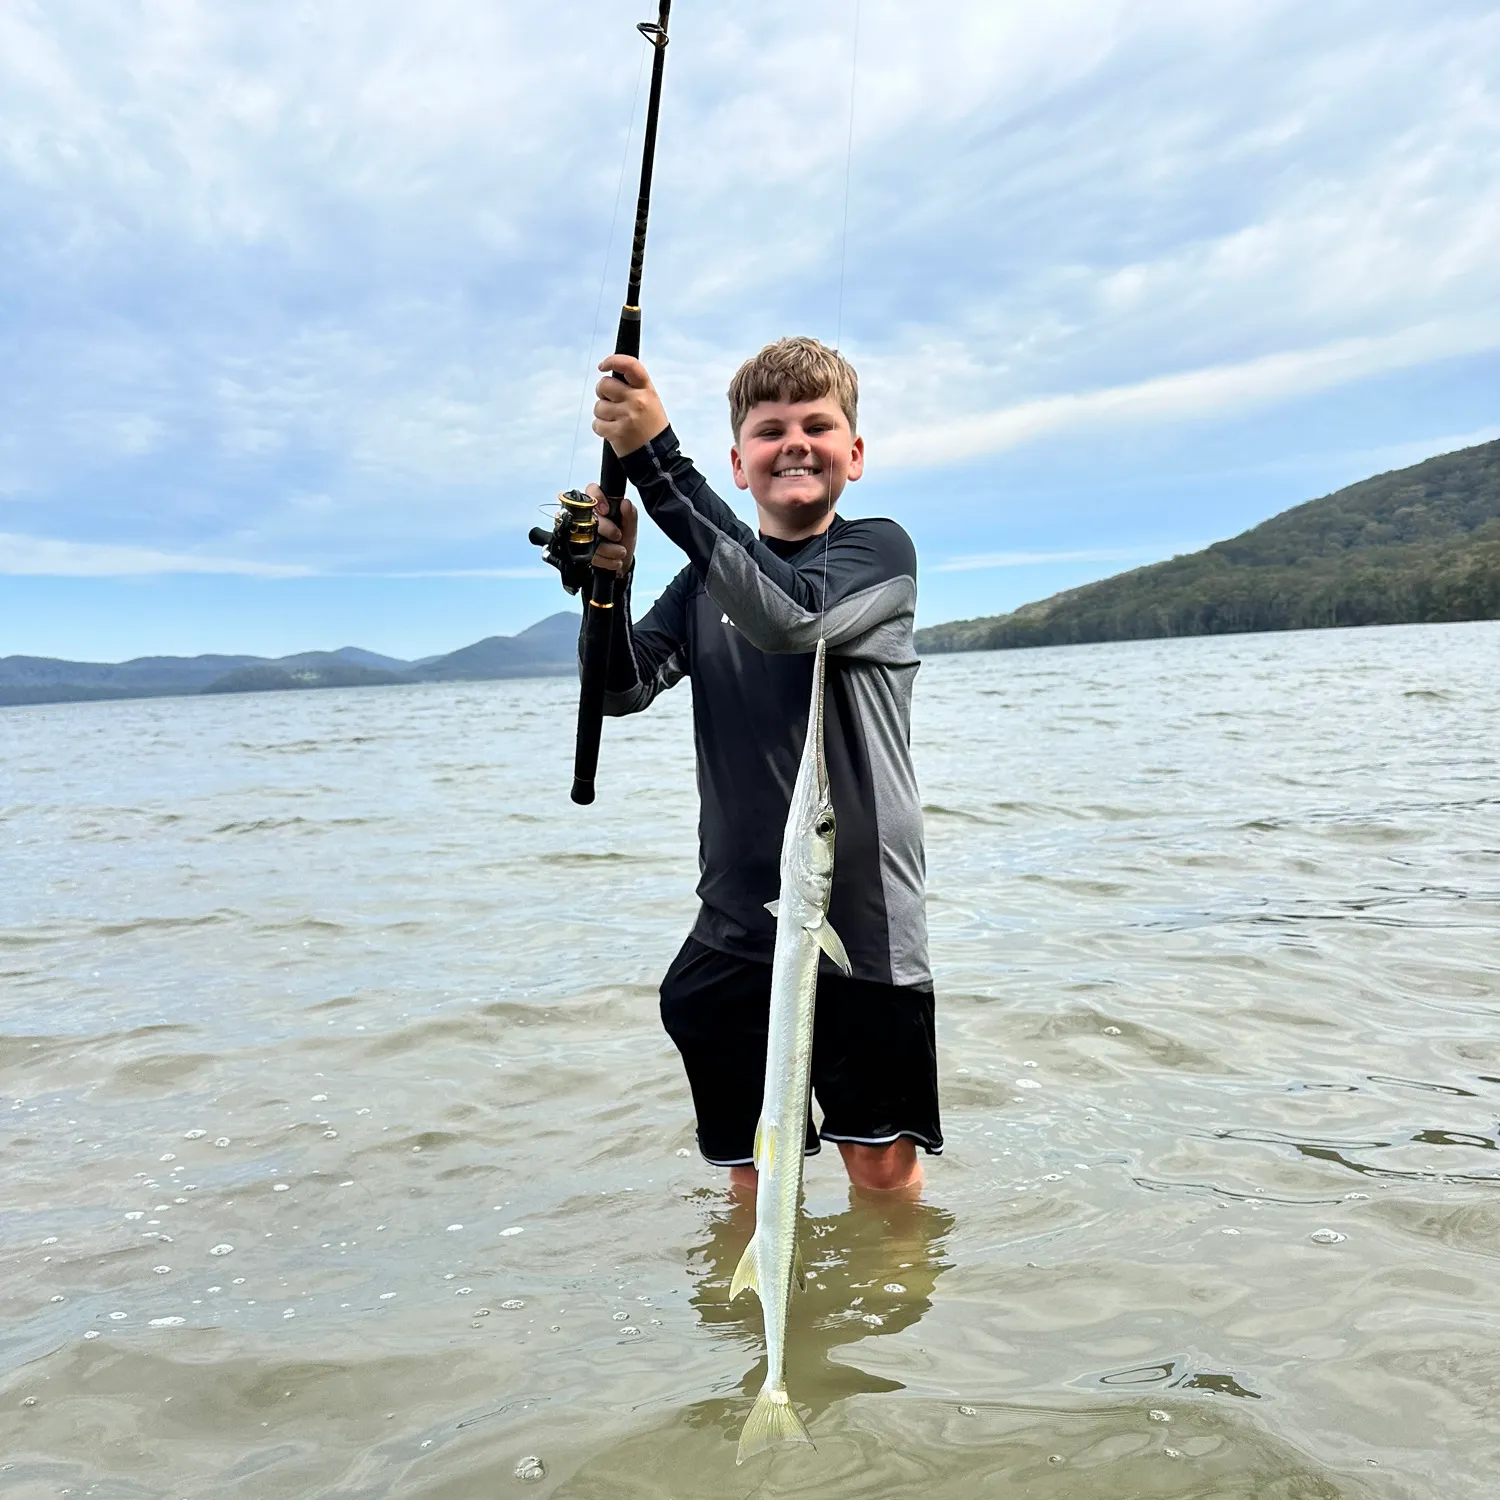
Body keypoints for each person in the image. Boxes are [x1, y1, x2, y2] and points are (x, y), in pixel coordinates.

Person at [584, 335, 941, 1194]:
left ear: (853, 455)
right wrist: (610, 584)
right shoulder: (704, 584)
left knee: (881, 1173)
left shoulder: (878, 555)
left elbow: (788, 618)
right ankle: (764, 1326)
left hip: (860, 921)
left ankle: (888, 1321)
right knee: (751, 1180)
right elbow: (619, 691)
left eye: (818, 426)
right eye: (770, 428)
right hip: (737, 923)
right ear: (739, 466)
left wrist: (655, 460)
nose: (795, 442)